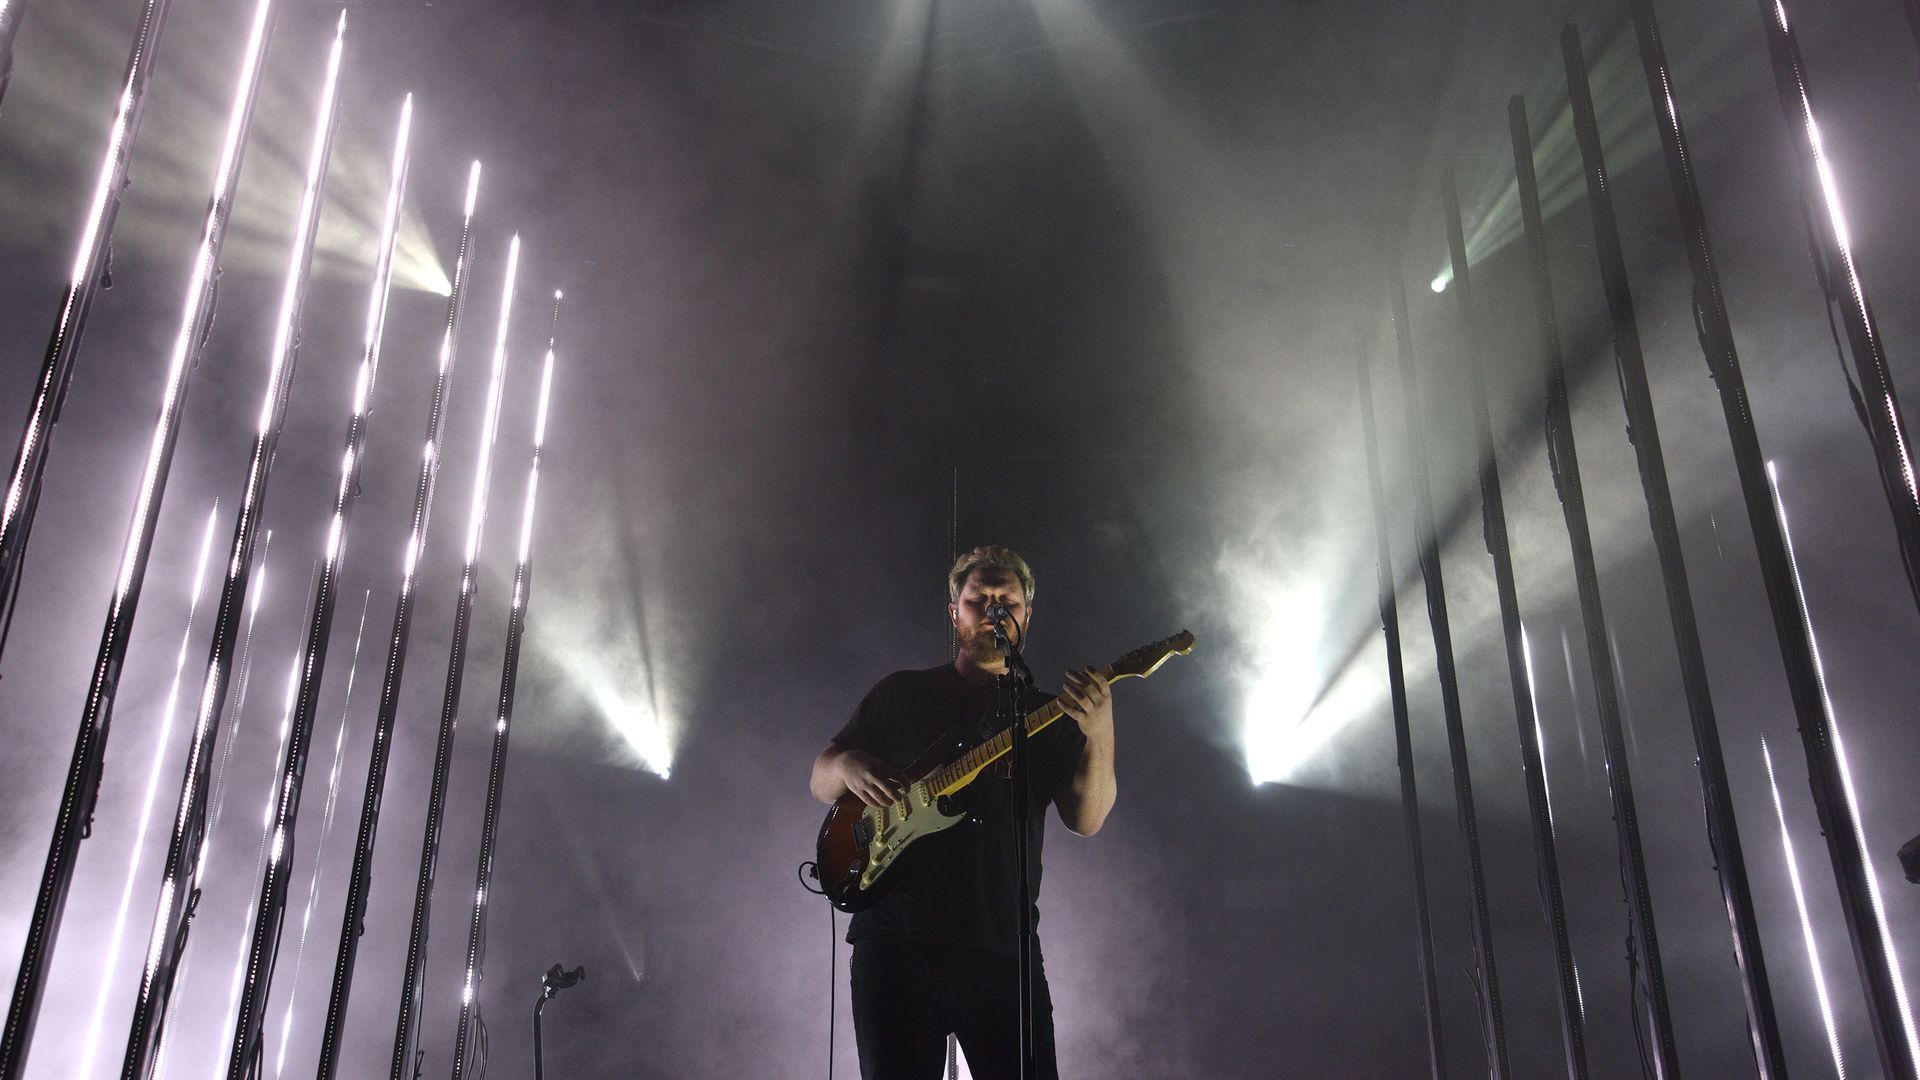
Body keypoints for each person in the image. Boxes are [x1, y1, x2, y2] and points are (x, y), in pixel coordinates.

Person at [810, 545, 1116, 1080]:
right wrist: (850, 763)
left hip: (1002, 947)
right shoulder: (902, 694)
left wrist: (1100, 731)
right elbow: (821, 776)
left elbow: (1086, 819)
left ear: (1027, 615)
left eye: (1008, 601)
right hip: (896, 942)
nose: (995, 610)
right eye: (980, 599)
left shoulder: (1047, 718)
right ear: (955, 612)